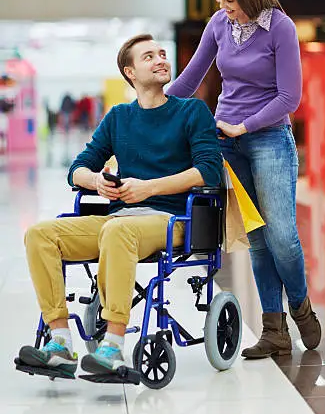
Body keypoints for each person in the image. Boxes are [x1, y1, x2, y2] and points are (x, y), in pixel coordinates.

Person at [18, 34, 223, 377]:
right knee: (40, 234)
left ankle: (112, 347)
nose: (160, 59)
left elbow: (209, 170)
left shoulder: (191, 111)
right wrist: (96, 181)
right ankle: (59, 341)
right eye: (149, 57)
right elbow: (77, 169)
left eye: (162, 54)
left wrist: (147, 189)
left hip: (172, 219)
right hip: (121, 220)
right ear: (130, 72)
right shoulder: (118, 118)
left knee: (117, 230)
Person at [167, 0, 321, 359]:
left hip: (268, 138)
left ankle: (300, 304)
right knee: (256, 238)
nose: (222, 6)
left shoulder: (280, 29)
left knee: (282, 236)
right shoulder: (219, 25)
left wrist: (246, 125)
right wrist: (153, 107)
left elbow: (290, 96)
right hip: (226, 140)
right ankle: (274, 330)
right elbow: (192, 77)